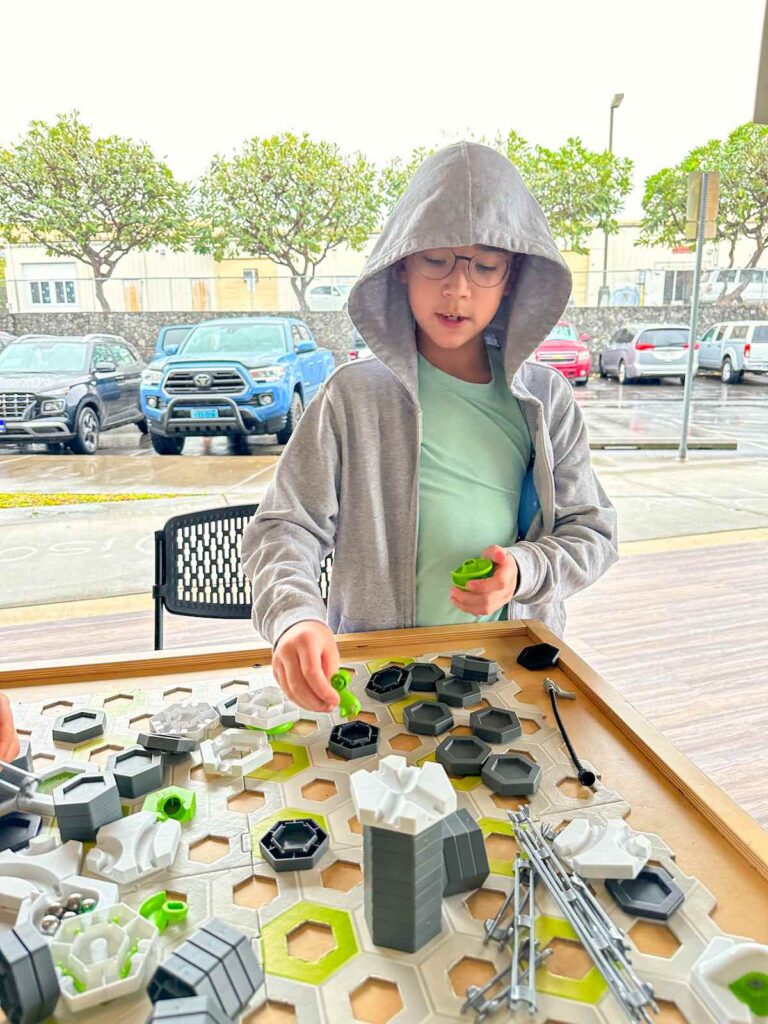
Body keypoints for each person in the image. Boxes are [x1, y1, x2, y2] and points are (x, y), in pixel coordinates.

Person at [241, 141, 618, 713]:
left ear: (511, 276)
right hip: (376, 678)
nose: (457, 288)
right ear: (401, 268)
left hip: (507, 678)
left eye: (485, 265)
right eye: (435, 259)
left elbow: (593, 533)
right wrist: (294, 616)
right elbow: (284, 528)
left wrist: (522, 570)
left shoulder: (545, 400)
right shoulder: (352, 397)